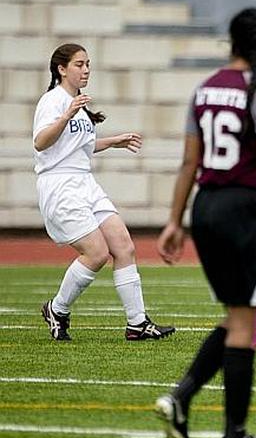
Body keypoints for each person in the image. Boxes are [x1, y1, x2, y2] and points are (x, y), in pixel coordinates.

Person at [154, 8, 256, 438]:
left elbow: (188, 163)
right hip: (244, 210)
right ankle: (233, 435)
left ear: (230, 42)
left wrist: (175, 220)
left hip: (206, 208)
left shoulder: (205, 88)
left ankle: (182, 398)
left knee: (241, 315)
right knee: (251, 315)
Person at [34, 43, 175, 342]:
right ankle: (57, 309)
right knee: (97, 253)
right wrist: (66, 115)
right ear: (61, 69)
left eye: (87, 64)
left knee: (123, 245)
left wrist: (112, 141)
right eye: (78, 64)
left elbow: (77, 146)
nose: (86, 70)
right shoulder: (54, 101)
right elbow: (41, 143)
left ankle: (137, 323)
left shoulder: (77, 103)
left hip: (85, 183)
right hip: (60, 185)